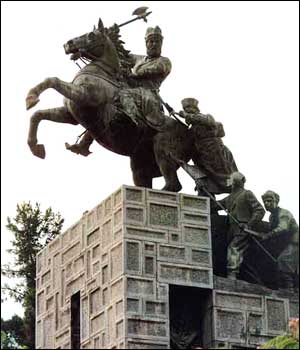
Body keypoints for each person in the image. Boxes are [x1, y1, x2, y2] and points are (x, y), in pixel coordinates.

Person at [66, 26, 171, 156]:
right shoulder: (140, 58)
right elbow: (119, 56)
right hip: (130, 87)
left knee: (120, 95)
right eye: (150, 41)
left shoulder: (164, 61)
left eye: (156, 41)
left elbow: (155, 69)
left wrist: (132, 73)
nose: (153, 44)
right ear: (146, 43)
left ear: (161, 43)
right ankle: (85, 144)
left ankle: (134, 120)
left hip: (147, 94)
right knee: (104, 97)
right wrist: (105, 38)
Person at [179, 97, 238, 194]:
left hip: (216, 152)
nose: (187, 110)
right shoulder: (191, 129)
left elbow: (207, 121)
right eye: (185, 109)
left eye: (189, 108)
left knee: (225, 176)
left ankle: (234, 189)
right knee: (208, 178)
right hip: (203, 156)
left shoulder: (207, 118)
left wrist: (186, 115)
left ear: (195, 109)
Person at [216, 172, 265, 279]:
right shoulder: (229, 198)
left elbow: (260, 210)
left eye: (230, 179)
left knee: (234, 248)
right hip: (232, 230)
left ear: (235, 181)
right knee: (234, 250)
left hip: (243, 228)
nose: (227, 181)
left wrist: (249, 224)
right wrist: (202, 189)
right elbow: (215, 205)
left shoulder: (247, 194)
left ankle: (232, 273)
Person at [261, 190, 299, 291]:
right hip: (284, 243)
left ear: (276, 201)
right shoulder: (272, 216)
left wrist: (268, 235)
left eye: (269, 200)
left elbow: (283, 228)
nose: (266, 204)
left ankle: (289, 287)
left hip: (294, 242)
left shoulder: (283, 214)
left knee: (283, 260)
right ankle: (287, 286)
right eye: (264, 201)